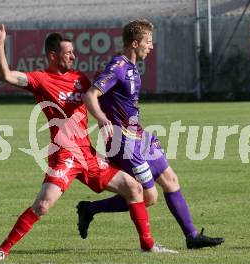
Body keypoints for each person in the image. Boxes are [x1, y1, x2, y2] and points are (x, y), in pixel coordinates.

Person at [0, 16, 177, 263]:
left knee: (134, 187)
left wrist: (105, 120)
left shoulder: (80, 79)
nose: (73, 57)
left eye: (74, 52)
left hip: (87, 155)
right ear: (53, 55)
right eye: (68, 53)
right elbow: (7, 76)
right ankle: (2, 250)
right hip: (65, 156)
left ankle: (148, 246)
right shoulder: (41, 79)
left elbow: (98, 98)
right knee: (42, 205)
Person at [78, 19, 225, 249]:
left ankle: (192, 237)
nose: (152, 46)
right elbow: (90, 95)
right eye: (148, 42)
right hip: (125, 142)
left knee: (171, 180)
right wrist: (102, 119)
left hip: (140, 137)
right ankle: (90, 209)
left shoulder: (132, 67)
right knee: (149, 198)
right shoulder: (118, 67)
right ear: (135, 43)